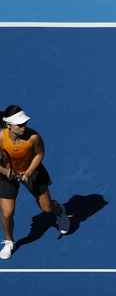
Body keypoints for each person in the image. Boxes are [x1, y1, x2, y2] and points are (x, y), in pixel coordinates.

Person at [0, 105, 69, 259]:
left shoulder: (33, 137)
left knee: (47, 208)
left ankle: (60, 211)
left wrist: (29, 172)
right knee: (7, 214)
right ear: (8, 125)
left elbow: (39, 154)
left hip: (32, 171)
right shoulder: (0, 137)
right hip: (7, 173)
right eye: (20, 125)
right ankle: (9, 241)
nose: (24, 127)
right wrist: (5, 171)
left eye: (25, 123)